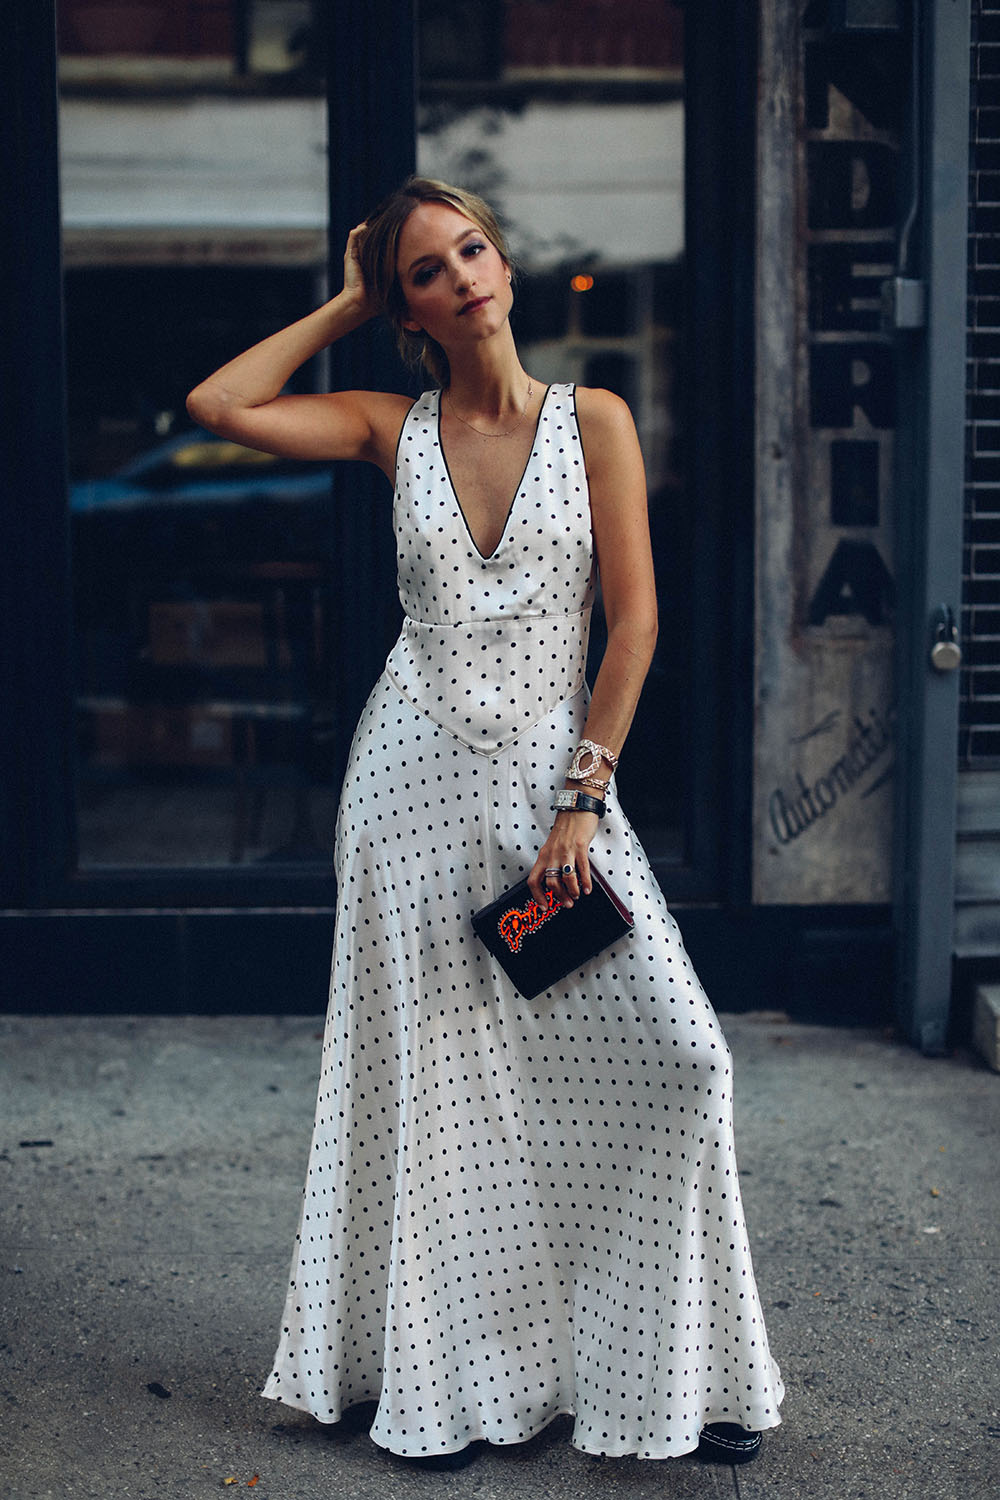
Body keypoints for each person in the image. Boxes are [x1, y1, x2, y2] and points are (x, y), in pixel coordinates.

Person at [187, 176, 783, 1469]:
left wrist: (586, 795)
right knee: (450, 1105)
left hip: (555, 810)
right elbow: (218, 407)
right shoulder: (386, 428)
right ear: (409, 311)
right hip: (410, 803)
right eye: (424, 271)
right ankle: (447, 1384)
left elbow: (636, 628)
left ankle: (674, 1372)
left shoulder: (598, 421)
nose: (461, 275)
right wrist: (341, 299)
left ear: (504, 266)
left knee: (679, 1062)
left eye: (471, 249)